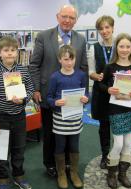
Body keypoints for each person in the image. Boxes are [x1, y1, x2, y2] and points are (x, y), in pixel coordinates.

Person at [29, 4, 88, 177]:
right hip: (49, 95)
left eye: (71, 18)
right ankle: (50, 165)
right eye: (64, 16)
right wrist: (36, 89)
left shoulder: (80, 39)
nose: (67, 20)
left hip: (73, 99)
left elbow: (83, 66)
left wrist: (84, 94)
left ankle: (68, 164)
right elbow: (34, 65)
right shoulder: (43, 36)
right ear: (57, 17)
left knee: (70, 133)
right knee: (50, 133)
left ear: (75, 21)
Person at [0, 36, 34, 189]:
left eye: (13, 50)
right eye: (6, 50)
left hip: (19, 117)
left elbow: (31, 88)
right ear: (0, 53)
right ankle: (2, 179)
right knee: (0, 150)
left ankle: (18, 175)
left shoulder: (23, 70)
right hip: (1, 117)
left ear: (17, 52)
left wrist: (24, 100)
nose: (10, 53)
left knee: (19, 148)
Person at [99, 33, 131, 189]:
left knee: (128, 143)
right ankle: (111, 173)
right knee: (118, 144)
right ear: (117, 47)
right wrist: (108, 89)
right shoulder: (110, 67)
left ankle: (122, 174)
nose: (124, 49)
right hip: (115, 109)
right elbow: (100, 86)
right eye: (121, 46)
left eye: (128, 46)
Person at [47, 45, 88, 189]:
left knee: (74, 146)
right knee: (60, 146)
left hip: (75, 117)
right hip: (60, 118)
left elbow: (86, 94)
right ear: (59, 60)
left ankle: (74, 173)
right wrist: (55, 102)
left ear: (75, 59)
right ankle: (61, 174)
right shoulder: (55, 77)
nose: (69, 62)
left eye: (72, 59)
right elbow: (49, 98)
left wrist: (85, 99)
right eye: (65, 59)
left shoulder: (81, 75)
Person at [89, 15, 115, 169]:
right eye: (101, 28)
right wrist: (95, 76)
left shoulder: (120, 45)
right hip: (101, 92)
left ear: (112, 27)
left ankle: (116, 153)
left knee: (118, 125)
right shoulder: (94, 47)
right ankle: (105, 155)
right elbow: (91, 71)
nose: (104, 31)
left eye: (107, 27)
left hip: (118, 92)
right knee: (104, 126)